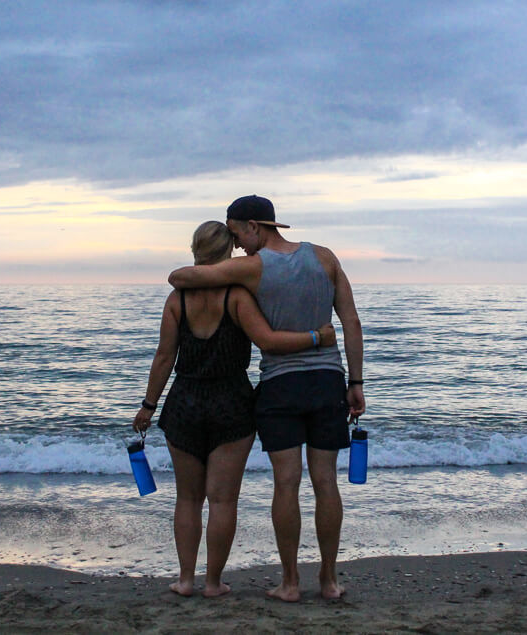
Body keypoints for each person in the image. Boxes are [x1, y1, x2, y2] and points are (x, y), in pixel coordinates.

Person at [168, 196, 365, 602]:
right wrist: (356, 382)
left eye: (238, 232)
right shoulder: (325, 257)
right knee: (326, 482)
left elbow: (181, 278)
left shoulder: (252, 267)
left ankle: (290, 583)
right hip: (328, 379)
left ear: (255, 225)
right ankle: (328, 581)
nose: (237, 243)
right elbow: (351, 321)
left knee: (286, 483)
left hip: (280, 384)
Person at [133, 220, 336, 598]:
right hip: (232, 403)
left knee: (188, 499)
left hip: (185, 402)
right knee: (223, 499)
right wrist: (316, 337)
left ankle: (185, 579)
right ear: (228, 252)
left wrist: (148, 405)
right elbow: (268, 340)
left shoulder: (177, 299)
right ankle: (213, 583)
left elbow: (164, 357)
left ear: (195, 250)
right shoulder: (238, 296)